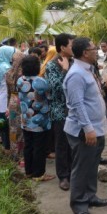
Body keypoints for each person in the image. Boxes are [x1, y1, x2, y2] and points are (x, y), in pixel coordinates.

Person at [63, 37, 107, 213]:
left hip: (95, 129)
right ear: (84, 53)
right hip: (84, 131)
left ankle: (90, 196)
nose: (97, 51)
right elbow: (77, 104)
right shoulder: (76, 74)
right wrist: (88, 129)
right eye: (94, 48)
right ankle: (79, 205)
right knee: (82, 168)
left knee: (91, 166)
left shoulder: (87, 70)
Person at [17, 55, 55, 182]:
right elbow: (49, 98)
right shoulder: (42, 82)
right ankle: (39, 174)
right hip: (40, 120)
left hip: (26, 118)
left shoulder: (20, 80)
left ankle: (29, 171)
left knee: (28, 145)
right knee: (39, 146)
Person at [45, 33, 75, 191]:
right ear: (63, 47)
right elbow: (55, 90)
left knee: (74, 144)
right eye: (71, 45)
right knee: (62, 145)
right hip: (60, 111)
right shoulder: (52, 65)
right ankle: (63, 176)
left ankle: (73, 173)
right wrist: (64, 71)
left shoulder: (74, 62)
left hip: (75, 110)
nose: (74, 48)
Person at [0, 45, 16, 151]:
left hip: (1, 96)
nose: (13, 56)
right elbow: (11, 83)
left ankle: (5, 146)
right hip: (5, 97)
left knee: (3, 122)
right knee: (7, 125)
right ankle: (7, 147)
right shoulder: (6, 67)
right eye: (12, 54)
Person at [5, 51, 25, 161]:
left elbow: (8, 92)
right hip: (22, 101)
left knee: (13, 128)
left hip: (12, 100)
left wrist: (8, 105)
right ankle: (21, 155)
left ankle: (14, 153)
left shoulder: (8, 73)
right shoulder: (24, 74)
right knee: (22, 130)